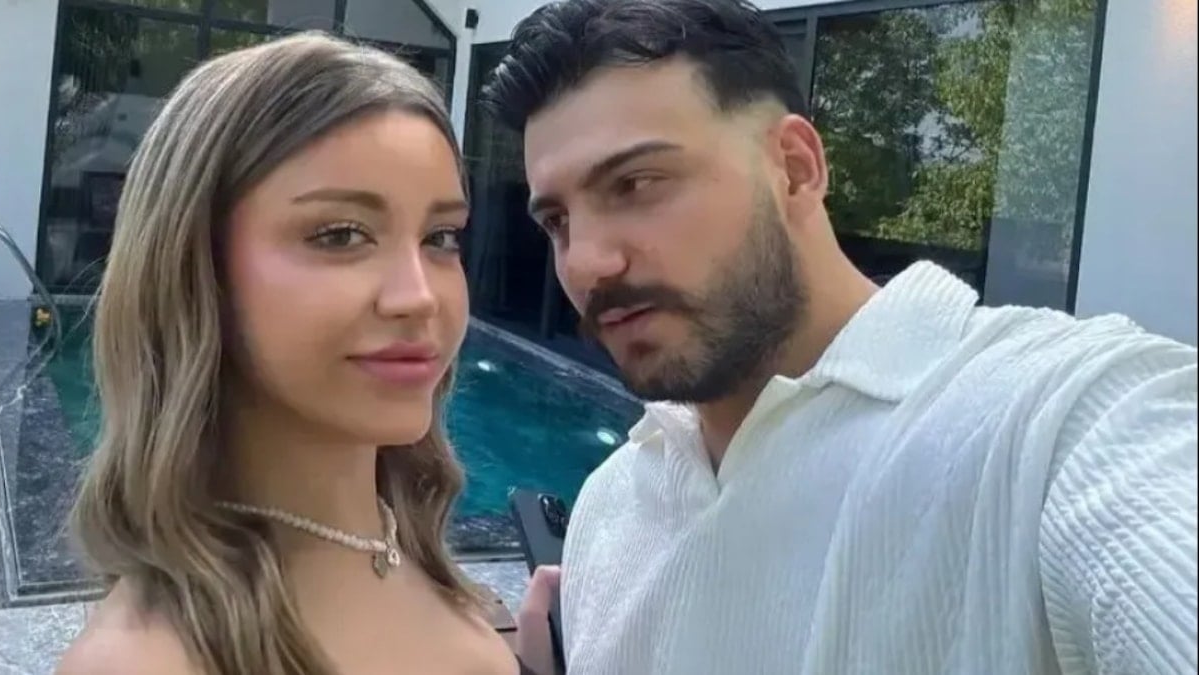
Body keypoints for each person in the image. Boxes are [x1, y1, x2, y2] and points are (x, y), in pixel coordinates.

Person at [483, 1, 1199, 673]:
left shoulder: (1057, 422)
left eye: (636, 183)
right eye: (557, 221)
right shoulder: (611, 507)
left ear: (796, 169)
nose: (584, 263)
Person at [57, 33, 536, 675]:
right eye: (340, 235)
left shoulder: (407, 548)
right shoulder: (147, 662)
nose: (420, 296)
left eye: (440, 237)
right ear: (195, 267)